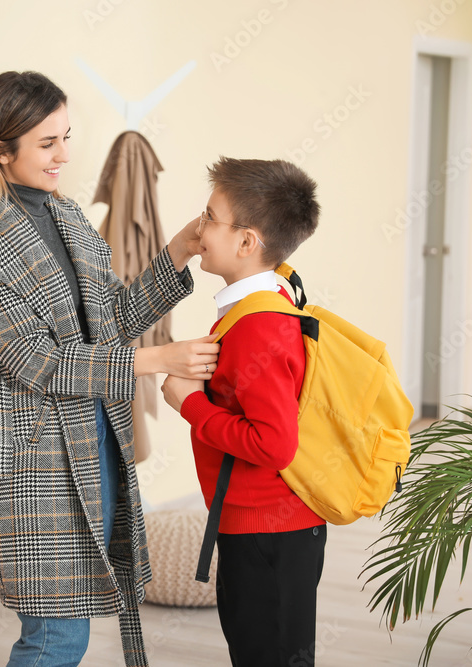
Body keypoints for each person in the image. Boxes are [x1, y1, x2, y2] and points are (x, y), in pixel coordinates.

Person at [0, 71, 219, 667]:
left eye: (66, 136)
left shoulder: (67, 219)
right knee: (55, 633)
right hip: (33, 457)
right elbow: (35, 361)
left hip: (94, 439)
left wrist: (179, 250)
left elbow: (113, 317)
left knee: (76, 620)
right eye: (47, 143)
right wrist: (157, 360)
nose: (65, 154)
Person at [161, 156, 324, 667]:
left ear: (247, 241)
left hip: (268, 533)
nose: (199, 227)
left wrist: (189, 403)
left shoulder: (258, 326)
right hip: (262, 526)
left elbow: (274, 443)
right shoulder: (270, 296)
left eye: (209, 216)